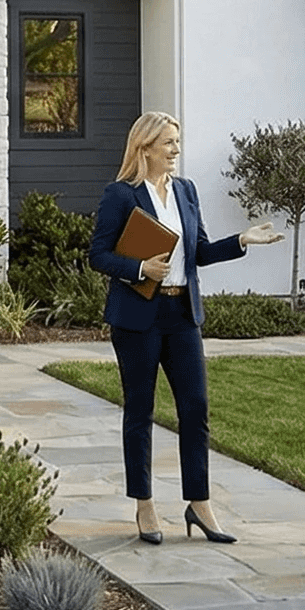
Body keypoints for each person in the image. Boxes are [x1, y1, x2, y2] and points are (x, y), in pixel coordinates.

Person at [88, 111, 283, 544]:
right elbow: (98, 255)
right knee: (140, 412)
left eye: (177, 142)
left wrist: (242, 241)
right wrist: (140, 267)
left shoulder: (186, 191)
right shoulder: (121, 195)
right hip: (138, 318)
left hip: (182, 316)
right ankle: (144, 505)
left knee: (195, 411)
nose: (176, 150)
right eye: (169, 143)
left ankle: (199, 504)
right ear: (145, 148)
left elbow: (198, 252)